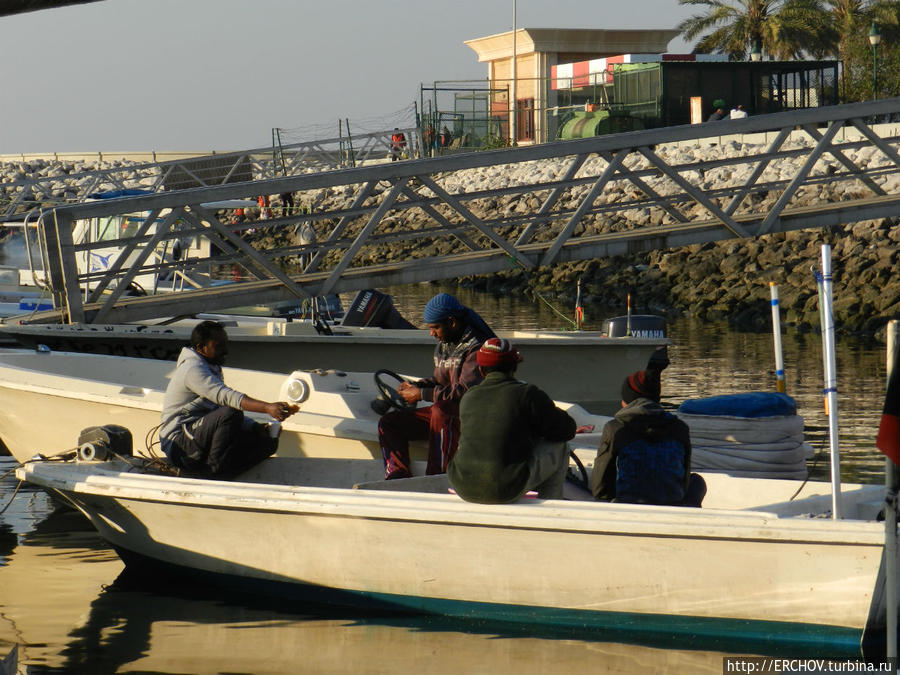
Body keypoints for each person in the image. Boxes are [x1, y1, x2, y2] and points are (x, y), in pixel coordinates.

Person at [378, 292, 496, 479]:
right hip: (448, 412)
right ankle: (397, 476)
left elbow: (465, 392)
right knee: (389, 422)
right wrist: (416, 386)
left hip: (472, 417)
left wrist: (422, 394)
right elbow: (440, 382)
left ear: (452, 323)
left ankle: (437, 476)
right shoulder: (445, 345)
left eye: (435, 328)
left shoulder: (476, 348)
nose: (431, 333)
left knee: (441, 410)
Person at [159, 320, 297, 478]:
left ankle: (226, 471)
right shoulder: (192, 370)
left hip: (198, 438)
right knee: (231, 413)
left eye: (226, 345)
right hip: (178, 445)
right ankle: (212, 473)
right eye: (219, 346)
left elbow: (216, 409)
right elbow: (225, 397)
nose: (225, 351)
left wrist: (255, 427)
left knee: (266, 441)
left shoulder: (212, 367)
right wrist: (267, 408)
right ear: (200, 348)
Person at [449, 338, 577, 503]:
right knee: (560, 446)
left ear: (481, 370)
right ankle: (550, 509)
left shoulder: (469, 396)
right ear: (514, 368)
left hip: (462, 485)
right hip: (504, 489)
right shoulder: (527, 394)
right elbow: (567, 430)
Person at [590, 370, 705, 506]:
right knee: (697, 482)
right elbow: (684, 481)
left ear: (627, 401)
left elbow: (600, 486)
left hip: (629, 504)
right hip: (673, 504)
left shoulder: (615, 428)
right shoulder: (680, 428)